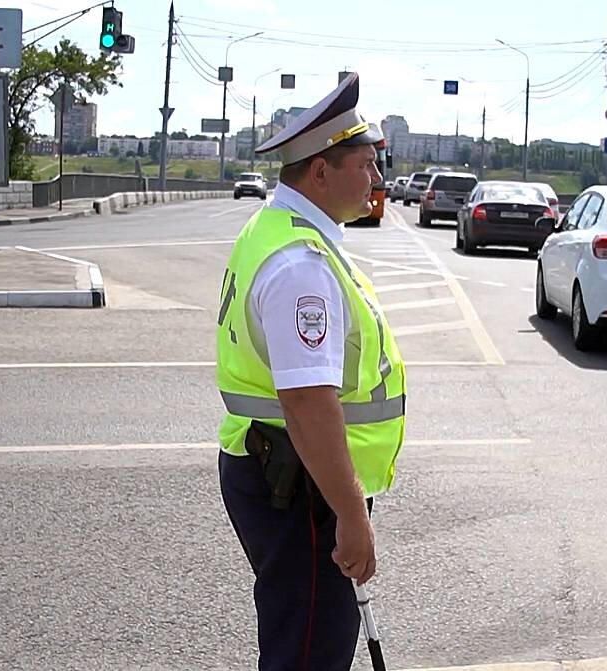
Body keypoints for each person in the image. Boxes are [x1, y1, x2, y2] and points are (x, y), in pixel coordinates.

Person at [214, 72, 406, 671]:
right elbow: (306, 401)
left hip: (285, 469)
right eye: (365, 165)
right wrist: (351, 516)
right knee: (308, 654)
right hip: (301, 484)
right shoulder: (300, 262)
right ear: (321, 171)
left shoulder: (282, 232)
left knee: (298, 637)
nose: (377, 181)